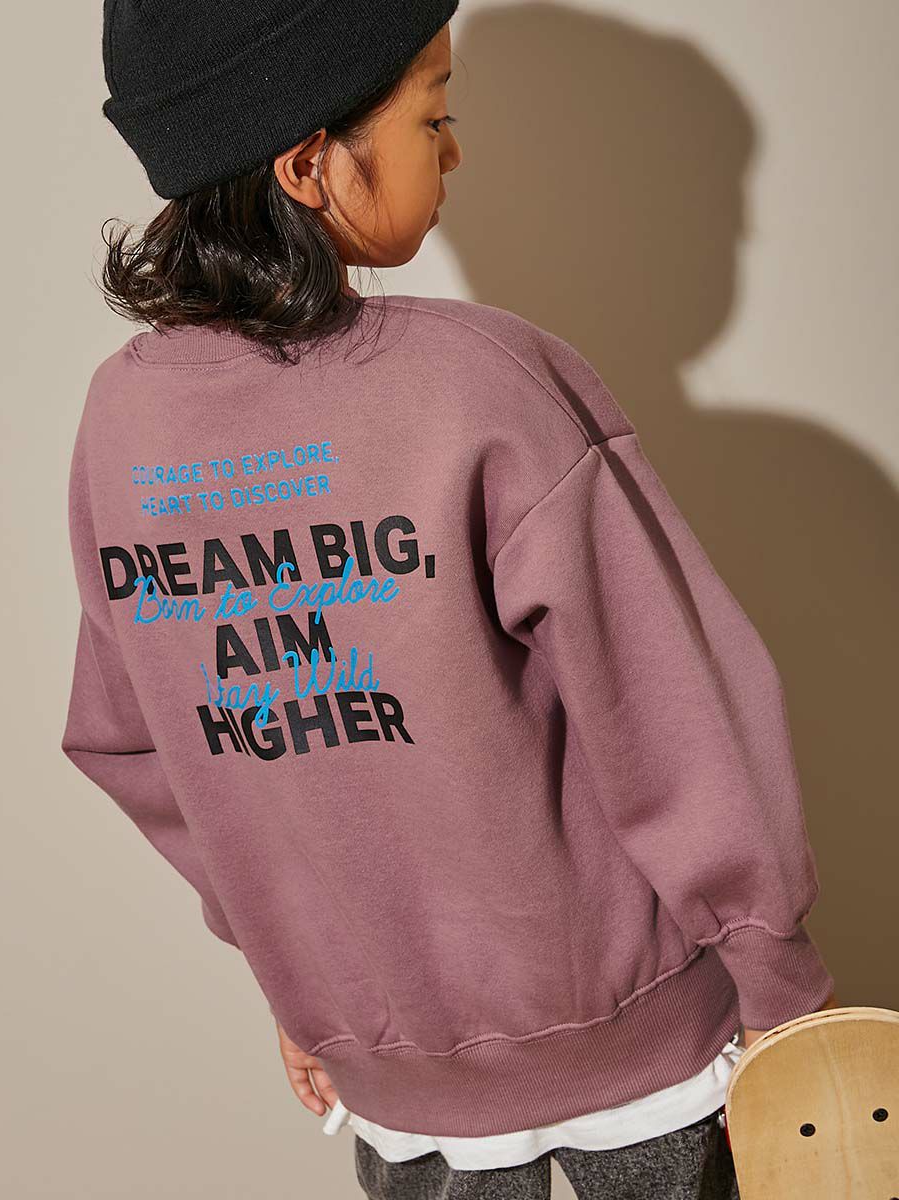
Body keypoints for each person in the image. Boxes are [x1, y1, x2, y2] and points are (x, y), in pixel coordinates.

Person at [61, 3, 837, 1196]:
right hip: (650, 1068)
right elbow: (672, 713)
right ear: (308, 164)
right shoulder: (480, 380)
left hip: (394, 1089)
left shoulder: (125, 421)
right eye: (434, 116)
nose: (456, 149)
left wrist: (298, 977)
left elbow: (131, 743)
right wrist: (781, 982)